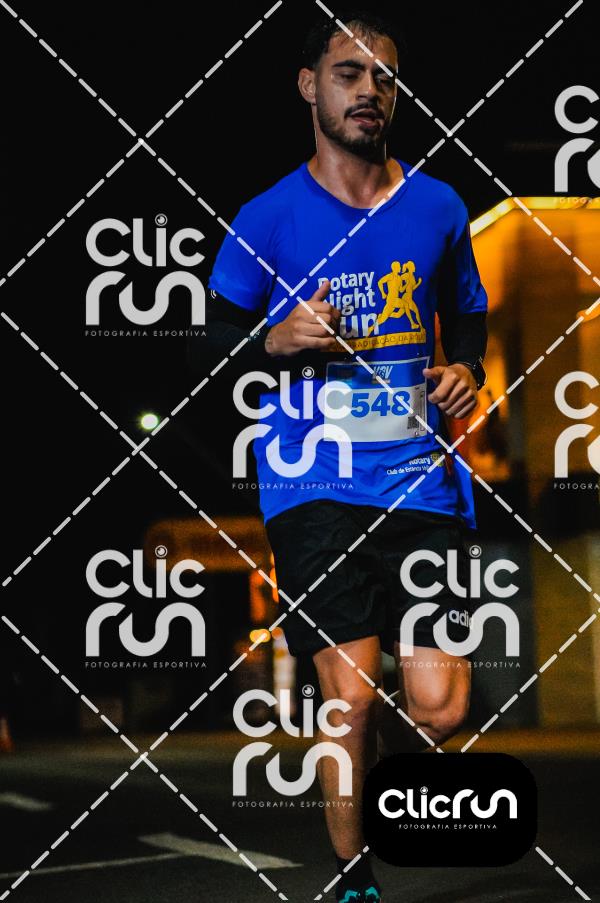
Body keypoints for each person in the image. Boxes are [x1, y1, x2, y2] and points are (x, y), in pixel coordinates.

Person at [195, 9, 488, 901]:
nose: (369, 91)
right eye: (349, 74)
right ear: (308, 87)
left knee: (442, 708)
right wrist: (273, 340)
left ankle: (371, 756)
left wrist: (467, 369)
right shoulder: (267, 217)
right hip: (313, 483)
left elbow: (468, 312)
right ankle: (354, 875)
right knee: (351, 695)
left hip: (420, 484)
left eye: (384, 77)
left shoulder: (437, 206)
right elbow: (206, 343)